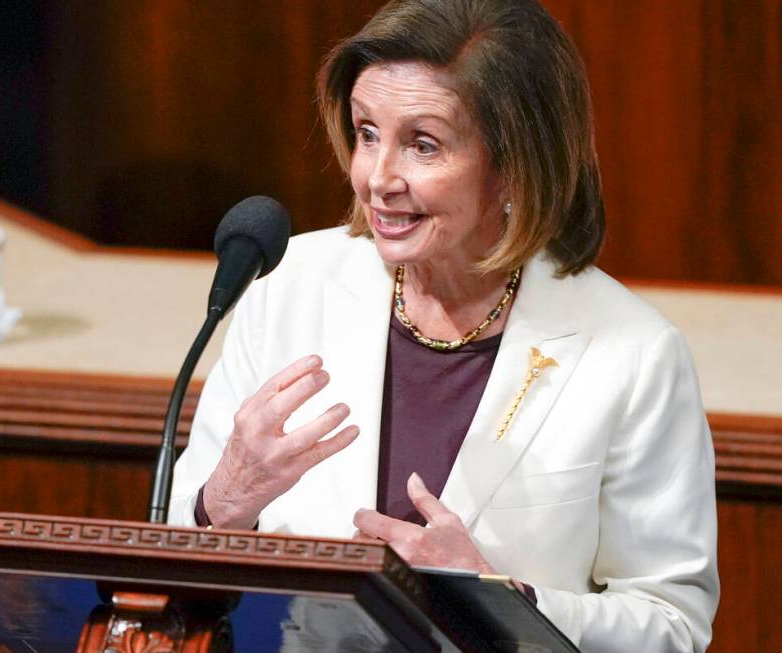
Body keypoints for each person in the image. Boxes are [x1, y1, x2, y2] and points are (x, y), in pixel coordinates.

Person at [168, 0, 719, 650]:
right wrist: (223, 504)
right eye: (367, 132)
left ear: (514, 164)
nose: (377, 178)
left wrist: (496, 597)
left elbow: (672, 625)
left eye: (422, 144)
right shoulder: (286, 287)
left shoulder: (635, 355)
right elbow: (174, 558)